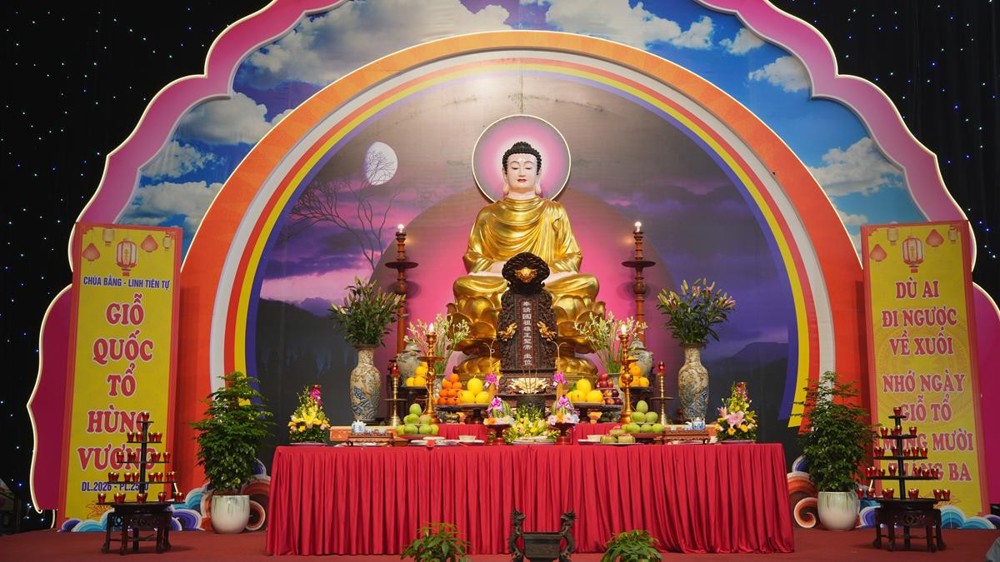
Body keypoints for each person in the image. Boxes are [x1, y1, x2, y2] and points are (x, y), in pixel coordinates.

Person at [449, 141, 603, 376]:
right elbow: (474, 257)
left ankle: (555, 353)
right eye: (515, 167)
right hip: (501, 284)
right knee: (464, 285)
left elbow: (572, 256)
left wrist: (542, 272)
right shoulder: (488, 214)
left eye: (528, 167)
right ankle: (496, 353)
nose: (521, 172)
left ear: (538, 174)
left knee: (587, 282)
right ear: (505, 174)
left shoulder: (554, 211)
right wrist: (500, 267)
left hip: (548, 283)